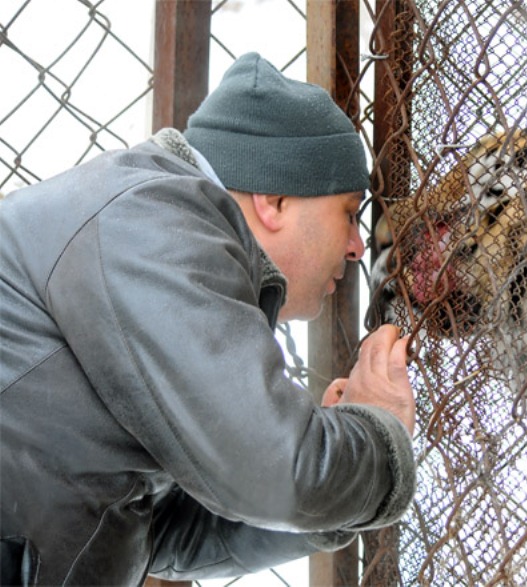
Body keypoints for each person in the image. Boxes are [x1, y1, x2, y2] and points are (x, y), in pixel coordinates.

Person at [0, 52, 416, 586]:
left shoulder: (157, 223)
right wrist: (374, 436)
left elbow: (157, 532)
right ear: (274, 199)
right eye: (348, 212)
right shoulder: (152, 222)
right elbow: (271, 468)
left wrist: (329, 492)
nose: (359, 247)